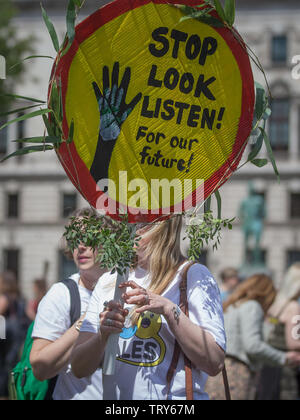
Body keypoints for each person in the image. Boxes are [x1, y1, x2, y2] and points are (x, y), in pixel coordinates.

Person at [71, 215, 226, 400]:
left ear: (163, 226)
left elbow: (214, 362)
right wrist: (102, 335)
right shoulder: (109, 279)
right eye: (128, 220)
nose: (132, 228)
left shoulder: (192, 275)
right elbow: (79, 368)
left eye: (142, 222)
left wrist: (169, 309)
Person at [30, 208, 113, 400]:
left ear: (109, 242)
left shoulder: (128, 289)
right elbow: (40, 368)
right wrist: (86, 320)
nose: (80, 247)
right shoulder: (62, 294)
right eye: (75, 239)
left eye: (89, 238)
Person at [205, 274, 300, 400]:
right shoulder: (252, 306)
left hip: (217, 370)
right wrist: (283, 358)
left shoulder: (230, 305)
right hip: (237, 371)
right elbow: (252, 345)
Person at [257, 263, 300, 400]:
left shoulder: (276, 302)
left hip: (269, 361)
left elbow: (269, 326)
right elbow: (293, 342)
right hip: (286, 366)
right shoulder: (293, 307)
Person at [0, 271, 30, 399]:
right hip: (15, 339)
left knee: (2, 368)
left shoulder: (4, 297)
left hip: (4, 337)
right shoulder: (19, 297)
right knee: (9, 367)